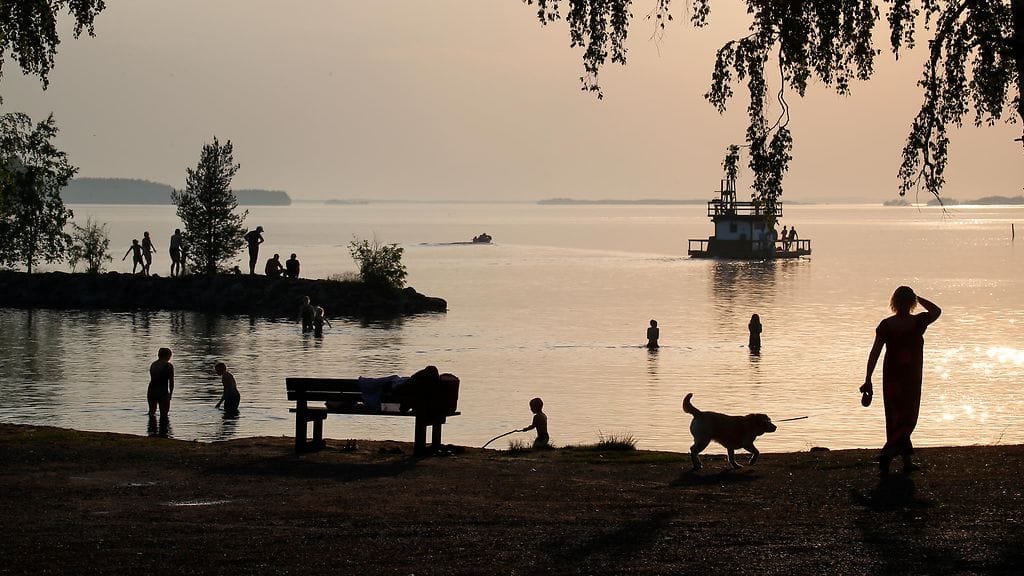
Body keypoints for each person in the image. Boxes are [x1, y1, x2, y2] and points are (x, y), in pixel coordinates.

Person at [862, 286, 941, 476]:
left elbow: (875, 353)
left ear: (893, 302)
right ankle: (888, 454)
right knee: (908, 417)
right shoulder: (918, 322)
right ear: (912, 303)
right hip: (911, 378)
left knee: (895, 417)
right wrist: (918, 297)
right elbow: (936, 311)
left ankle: (903, 460)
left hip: (892, 377)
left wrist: (868, 378)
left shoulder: (887, 325)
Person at [147, 347, 174, 419]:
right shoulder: (168, 366)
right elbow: (171, 381)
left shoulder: (153, 364)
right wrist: (170, 394)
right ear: (168, 356)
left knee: (151, 413)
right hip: (162, 391)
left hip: (151, 390)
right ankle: (164, 429)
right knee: (164, 415)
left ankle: (151, 428)